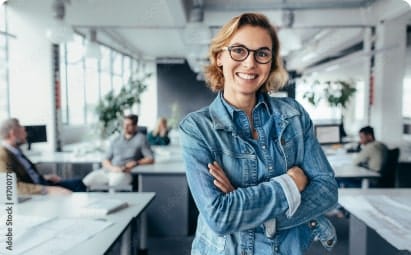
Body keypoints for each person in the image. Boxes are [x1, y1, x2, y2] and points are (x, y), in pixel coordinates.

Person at [179, 13, 338, 254]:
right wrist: (290, 184)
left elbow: (326, 190)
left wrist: (250, 209)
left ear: (271, 63)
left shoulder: (293, 115)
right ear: (220, 57)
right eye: (239, 51)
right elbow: (219, 217)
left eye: (262, 53)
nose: (250, 63)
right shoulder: (197, 128)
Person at [0, 118, 86, 195]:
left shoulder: (16, 151)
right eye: (24, 131)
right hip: (36, 190)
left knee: (78, 182)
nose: (26, 135)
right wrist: (46, 190)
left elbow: (28, 174)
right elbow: (10, 187)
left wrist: (45, 177)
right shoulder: (3, 155)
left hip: (41, 183)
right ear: (13, 133)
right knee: (74, 188)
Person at [83, 114, 154, 188]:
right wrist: (113, 168)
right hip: (109, 170)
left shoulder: (141, 139)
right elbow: (105, 159)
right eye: (124, 124)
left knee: (113, 184)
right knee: (87, 181)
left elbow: (150, 158)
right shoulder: (116, 139)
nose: (125, 127)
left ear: (135, 126)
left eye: (128, 125)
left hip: (125, 172)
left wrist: (136, 163)